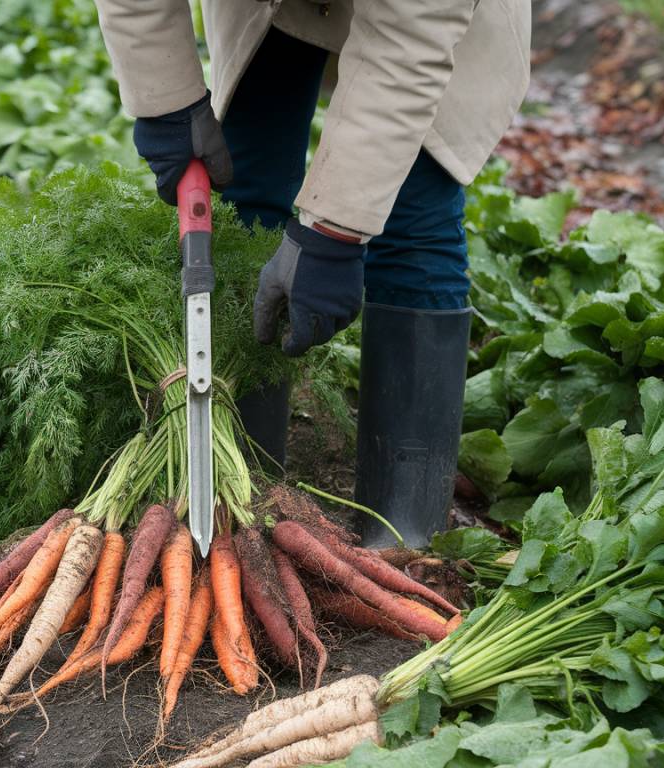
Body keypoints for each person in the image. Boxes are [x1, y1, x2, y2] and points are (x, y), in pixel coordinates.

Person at [94, 0, 531, 546]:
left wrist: (336, 233)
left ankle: (404, 540)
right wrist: (165, 103)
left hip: (419, 23)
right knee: (248, 186)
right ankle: (248, 506)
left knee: (411, 211)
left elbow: (409, 42)